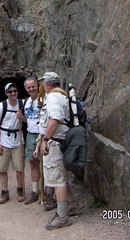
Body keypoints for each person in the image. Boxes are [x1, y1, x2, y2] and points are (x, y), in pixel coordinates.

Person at [39, 72, 72, 230]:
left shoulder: (53, 97)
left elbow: (55, 119)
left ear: (48, 84)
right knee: (60, 177)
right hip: (59, 141)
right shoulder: (61, 96)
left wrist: (45, 140)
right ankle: (71, 205)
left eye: (42, 84)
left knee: (58, 180)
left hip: (55, 143)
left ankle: (62, 217)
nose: (42, 87)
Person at [0, 83, 25, 204]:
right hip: (4, 140)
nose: (13, 93)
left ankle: (20, 190)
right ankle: (4, 192)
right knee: (2, 168)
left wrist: (21, 117)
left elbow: (30, 120)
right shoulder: (1, 106)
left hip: (18, 141)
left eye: (15, 91)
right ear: (6, 93)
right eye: (10, 91)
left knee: (19, 168)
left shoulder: (22, 104)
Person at [17, 78, 41, 205]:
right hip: (31, 134)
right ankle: (35, 191)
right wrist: (22, 118)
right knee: (33, 163)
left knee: (45, 164)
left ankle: (48, 192)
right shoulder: (26, 102)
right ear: (26, 89)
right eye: (29, 87)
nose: (31, 89)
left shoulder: (43, 100)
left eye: (33, 86)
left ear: (37, 86)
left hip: (42, 134)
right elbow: (29, 120)